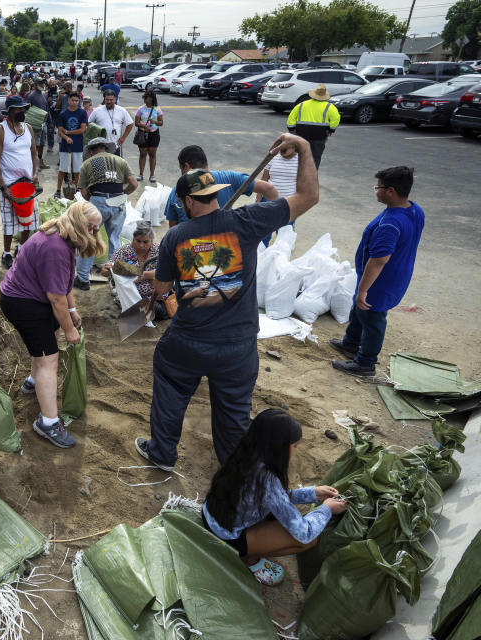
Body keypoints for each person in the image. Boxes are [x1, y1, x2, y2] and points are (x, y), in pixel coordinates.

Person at [135, 134, 319, 471]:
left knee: (171, 386)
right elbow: (309, 196)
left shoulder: (177, 236)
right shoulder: (248, 222)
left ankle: (162, 452)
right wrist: (304, 147)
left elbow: (161, 288)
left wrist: (164, 282)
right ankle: (235, 471)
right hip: (238, 347)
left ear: (188, 202)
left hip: (188, 341)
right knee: (233, 414)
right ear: (214, 196)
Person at [0, 202, 103, 448]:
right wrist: (70, 330)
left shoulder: (62, 233)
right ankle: (47, 422)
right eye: (94, 229)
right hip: (24, 303)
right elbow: (56, 298)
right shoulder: (55, 247)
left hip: (30, 297)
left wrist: (73, 310)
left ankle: (33, 382)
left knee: (44, 341)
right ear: (83, 225)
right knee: (49, 358)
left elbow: (63, 283)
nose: (96, 234)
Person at [202, 409, 346, 585]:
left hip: (212, 515)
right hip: (227, 535)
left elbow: (273, 498)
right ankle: (248, 559)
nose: (295, 451)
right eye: (294, 446)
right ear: (280, 447)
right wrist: (327, 509)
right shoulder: (267, 480)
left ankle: (250, 549)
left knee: (281, 521)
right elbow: (305, 533)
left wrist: (312, 494)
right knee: (309, 542)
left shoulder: (247, 454)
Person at [330, 166, 424, 377]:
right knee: (359, 311)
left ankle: (365, 363)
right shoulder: (415, 210)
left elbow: (379, 260)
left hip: (379, 281)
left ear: (390, 191)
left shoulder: (390, 224)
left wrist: (363, 289)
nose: (376, 191)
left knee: (373, 319)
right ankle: (350, 344)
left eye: (378, 187)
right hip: (395, 274)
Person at [74, 137, 138, 290]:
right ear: (105, 148)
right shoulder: (120, 161)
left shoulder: (87, 163)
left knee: (89, 239)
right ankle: (116, 280)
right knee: (114, 239)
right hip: (119, 202)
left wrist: (94, 201)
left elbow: (83, 191)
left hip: (98, 201)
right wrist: (122, 195)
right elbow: (134, 183)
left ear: (91, 150)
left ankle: (83, 280)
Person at [164, 145, 279, 228]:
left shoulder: (177, 193)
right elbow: (269, 189)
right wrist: (269, 223)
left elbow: (172, 229)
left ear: (186, 166)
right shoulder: (230, 178)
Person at [0, 95, 40, 269]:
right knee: (9, 224)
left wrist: (35, 174)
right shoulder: (0, 131)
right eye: (18, 109)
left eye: (23, 108)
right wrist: (3, 187)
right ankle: (6, 253)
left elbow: (34, 154)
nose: (22, 112)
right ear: (9, 111)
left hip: (27, 185)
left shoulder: (28, 129)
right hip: (9, 185)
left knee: (28, 221)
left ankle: (21, 248)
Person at [101, 220, 160, 302]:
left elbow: (167, 271)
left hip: (156, 295)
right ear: (133, 239)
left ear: (152, 240)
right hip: (129, 296)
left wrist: (144, 274)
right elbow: (104, 273)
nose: (141, 245)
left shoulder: (158, 250)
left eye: (145, 242)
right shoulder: (123, 251)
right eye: (138, 241)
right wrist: (108, 269)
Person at [286, 84, 340, 169]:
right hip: (319, 136)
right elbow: (336, 119)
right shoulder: (330, 107)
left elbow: (291, 119)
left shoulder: (301, 105)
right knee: (315, 157)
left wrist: (292, 129)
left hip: (301, 135)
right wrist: (331, 129)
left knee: (299, 156)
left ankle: (297, 175)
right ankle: (311, 178)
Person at [259, 146, 300, 246]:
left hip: (289, 204)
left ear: (294, 147)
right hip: (268, 202)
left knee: (284, 237)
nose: (282, 151)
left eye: (285, 149)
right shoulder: (273, 158)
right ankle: (260, 257)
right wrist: (258, 197)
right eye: (280, 149)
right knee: (263, 233)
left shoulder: (302, 161)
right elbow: (264, 179)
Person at [55, 93, 88, 198]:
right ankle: (58, 190)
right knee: (62, 169)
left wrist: (68, 132)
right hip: (65, 146)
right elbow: (60, 132)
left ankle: (77, 190)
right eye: (72, 100)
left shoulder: (82, 113)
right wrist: (66, 138)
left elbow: (83, 130)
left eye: (76, 101)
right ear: (69, 100)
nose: (74, 102)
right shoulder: (63, 114)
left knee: (77, 170)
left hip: (78, 146)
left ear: (79, 102)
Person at [87, 90, 133, 157]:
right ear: (104, 99)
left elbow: (130, 124)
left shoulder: (122, 110)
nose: (109, 102)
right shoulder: (97, 110)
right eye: (107, 100)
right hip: (100, 147)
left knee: (114, 166)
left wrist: (123, 138)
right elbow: (89, 123)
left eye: (111, 100)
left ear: (115, 99)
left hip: (115, 146)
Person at [134, 91, 163, 183]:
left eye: (146, 98)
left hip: (154, 134)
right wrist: (144, 126)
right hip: (142, 133)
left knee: (152, 154)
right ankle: (141, 174)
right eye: (144, 98)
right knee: (142, 154)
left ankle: (152, 175)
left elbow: (161, 122)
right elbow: (136, 123)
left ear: (151, 99)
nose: (144, 100)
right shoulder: (141, 109)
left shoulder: (157, 109)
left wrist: (154, 122)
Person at [26, 82, 52, 169]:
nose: (42, 85)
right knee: (35, 144)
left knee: (42, 143)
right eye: (40, 83)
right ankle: (34, 164)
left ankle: (40, 161)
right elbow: (26, 109)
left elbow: (47, 109)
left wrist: (50, 121)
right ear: (36, 85)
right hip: (35, 124)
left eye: (43, 83)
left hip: (43, 123)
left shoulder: (44, 95)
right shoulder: (31, 95)